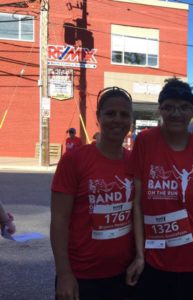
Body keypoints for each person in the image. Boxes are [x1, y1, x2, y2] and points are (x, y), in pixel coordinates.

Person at [126, 78, 193, 300]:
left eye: (184, 107)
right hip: (152, 259)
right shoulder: (145, 141)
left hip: (190, 259)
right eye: (169, 107)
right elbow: (136, 203)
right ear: (160, 109)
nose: (176, 113)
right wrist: (139, 256)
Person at [51, 87, 135, 300]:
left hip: (123, 275)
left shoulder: (135, 161)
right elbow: (59, 219)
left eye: (124, 114)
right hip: (82, 276)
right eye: (110, 113)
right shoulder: (74, 160)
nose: (117, 119)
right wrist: (64, 274)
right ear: (98, 118)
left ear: (131, 121)